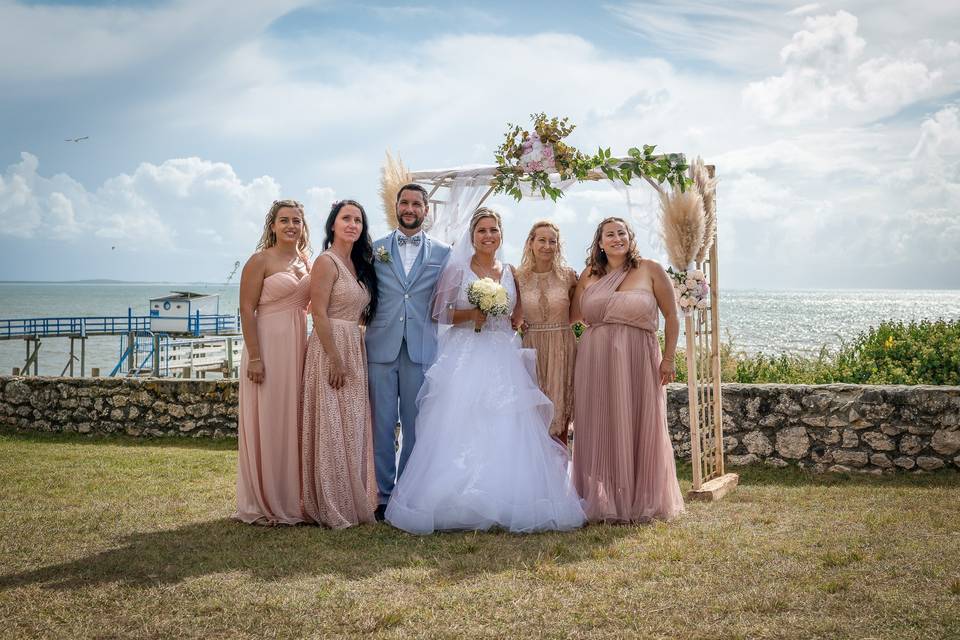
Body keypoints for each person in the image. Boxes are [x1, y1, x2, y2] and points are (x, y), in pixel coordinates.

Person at [385, 208, 585, 535]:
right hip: (465, 354)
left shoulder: (509, 271)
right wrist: (471, 314)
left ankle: (506, 495)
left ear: (501, 234)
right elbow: (440, 312)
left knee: (510, 422)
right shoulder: (458, 269)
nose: (488, 236)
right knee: (463, 420)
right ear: (472, 235)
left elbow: (517, 315)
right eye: (482, 230)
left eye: (494, 230)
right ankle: (458, 498)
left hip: (502, 352)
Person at [571, 216, 685, 523]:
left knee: (639, 421)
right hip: (595, 359)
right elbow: (569, 315)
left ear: (630, 238)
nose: (616, 238)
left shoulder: (650, 269)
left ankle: (641, 500)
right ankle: (601, 500)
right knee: (599, 425)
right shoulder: (589, 275)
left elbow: (672, 317)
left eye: (622, 233)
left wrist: (670, 358)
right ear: (600, 242)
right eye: (610, 234)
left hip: (639, 356)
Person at [366, 184, 451, 521]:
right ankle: (383, 495)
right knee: (382, 425)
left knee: (417, 426)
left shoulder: (444, 252)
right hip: (381, 346)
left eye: (417, 203)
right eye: (405, 202)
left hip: (422, 348)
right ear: (397, 206)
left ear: (426, 210)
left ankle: (409, 492)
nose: (410, 208)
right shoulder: (374, 250)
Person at [301, 200, 379, 528]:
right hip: (330, 346)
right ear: (333, 224)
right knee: (331, 423)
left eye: (358, 220)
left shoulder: (358, 264)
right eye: (346, 218)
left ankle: (354, 496)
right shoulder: (326, 261)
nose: (352, 225)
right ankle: (332, 501)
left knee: (352, 423)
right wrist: (334, 357)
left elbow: (362, 311)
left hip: (354, 345)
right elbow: (317, 311)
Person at [234, 199, 312, 526]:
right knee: (268, 419)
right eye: (284, 220)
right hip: (266, 347)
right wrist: (254, 356)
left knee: (292, 419)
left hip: (298, 346)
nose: (291, 226)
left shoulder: (308, 261)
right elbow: (246, 310)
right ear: (273, 226)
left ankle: (292, 496)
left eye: (296, 220)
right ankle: (265, 499)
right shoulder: (259, 261)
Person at [515, 220, 578, 445]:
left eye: (553, 241)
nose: (547, 246)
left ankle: (560, 472)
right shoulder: (518, 277)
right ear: (530, 243)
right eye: (542, 240)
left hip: (562, 346)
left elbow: (579, 312)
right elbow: (512, 314)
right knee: (533, 411)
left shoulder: (569, 276)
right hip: (531, 348)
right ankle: (535, 472)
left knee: (560, 409)